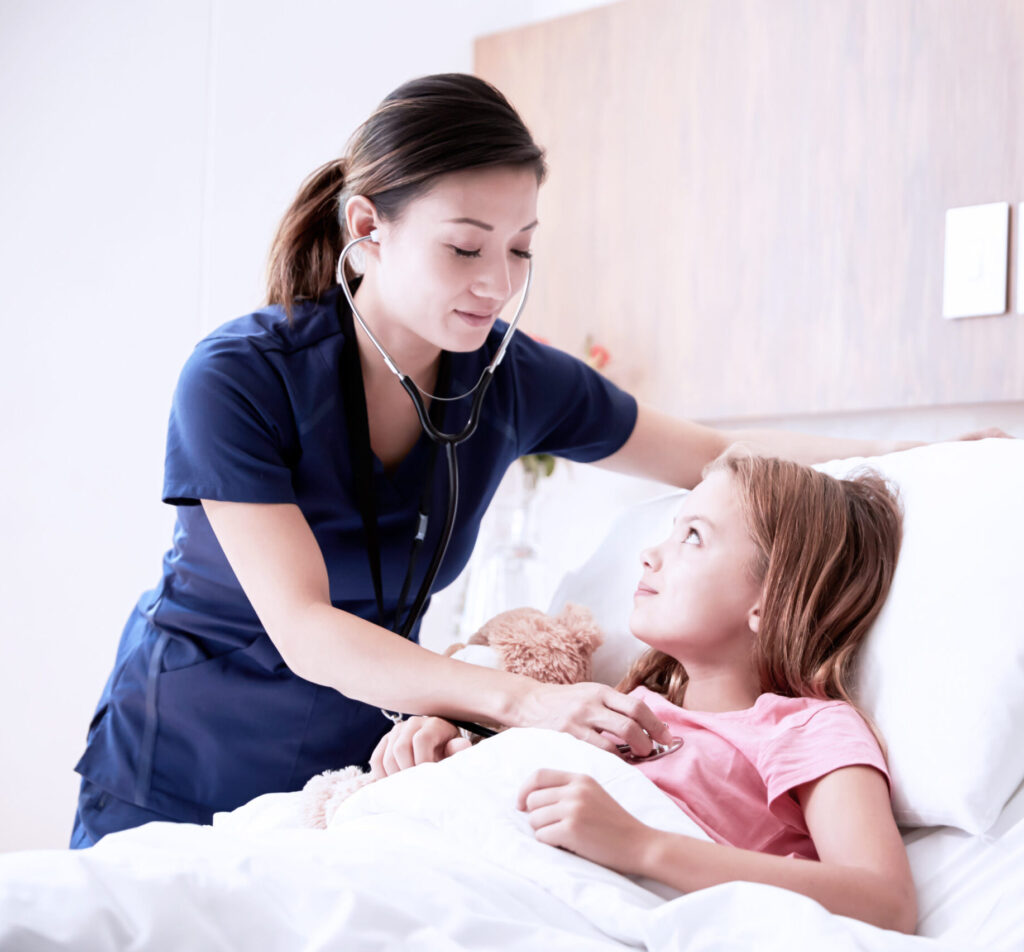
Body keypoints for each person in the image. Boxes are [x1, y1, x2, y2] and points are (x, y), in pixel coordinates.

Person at [68, 71, 992, 850]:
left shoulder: (508, 380)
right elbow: (306, 629)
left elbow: (713, 453)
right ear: (367, 226)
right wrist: (522, 702)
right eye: (465, 246)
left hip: (341, 776)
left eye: (520, 249)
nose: (497, 284)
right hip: (176, 760)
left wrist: (909, 454)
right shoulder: (240, 377)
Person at [516, 452, 917, 934]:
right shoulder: (635, 701)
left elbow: (886, 903)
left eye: (693, 536)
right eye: (672, 528)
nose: (650, 553)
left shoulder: (805, 729)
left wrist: (642, 845)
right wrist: (458, 740)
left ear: (768, 601)